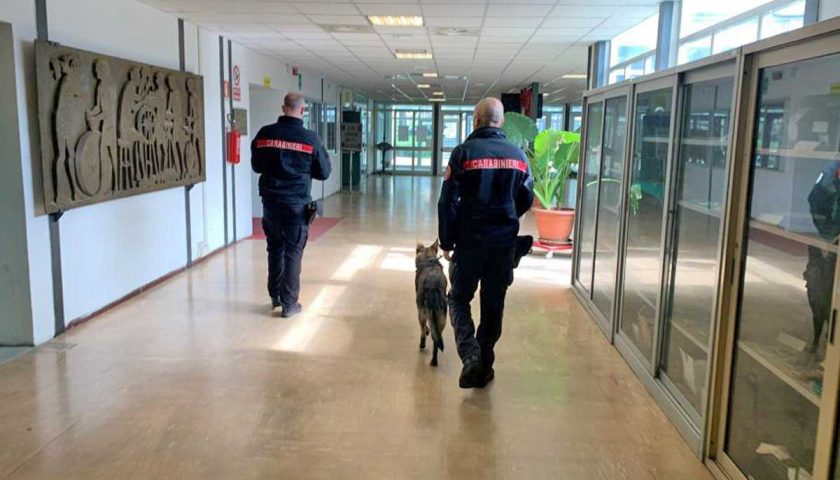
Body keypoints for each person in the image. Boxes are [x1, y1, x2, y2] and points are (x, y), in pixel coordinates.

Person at [438, 97, 534, 389]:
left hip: (469, 243)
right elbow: (526, 198)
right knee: (493, 306)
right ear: (501, 121)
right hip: (502, 245)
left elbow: (448, 201)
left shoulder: (463, 153)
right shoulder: (519, 155)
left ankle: (470, 357)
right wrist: (506, 218)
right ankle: (484, 364)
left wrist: (447, 239)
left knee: (458, 298)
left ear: (475, 120)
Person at [251, 93, 331, 317]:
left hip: (271, 204)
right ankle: (289, 304)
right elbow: (324, 172)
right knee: (293, 252)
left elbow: (257, 166)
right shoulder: (310, 139)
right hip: (296, 206)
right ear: (302, 111)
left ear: (283, 108)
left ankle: (275, 295)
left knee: (275, 248)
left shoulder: (265, 134)